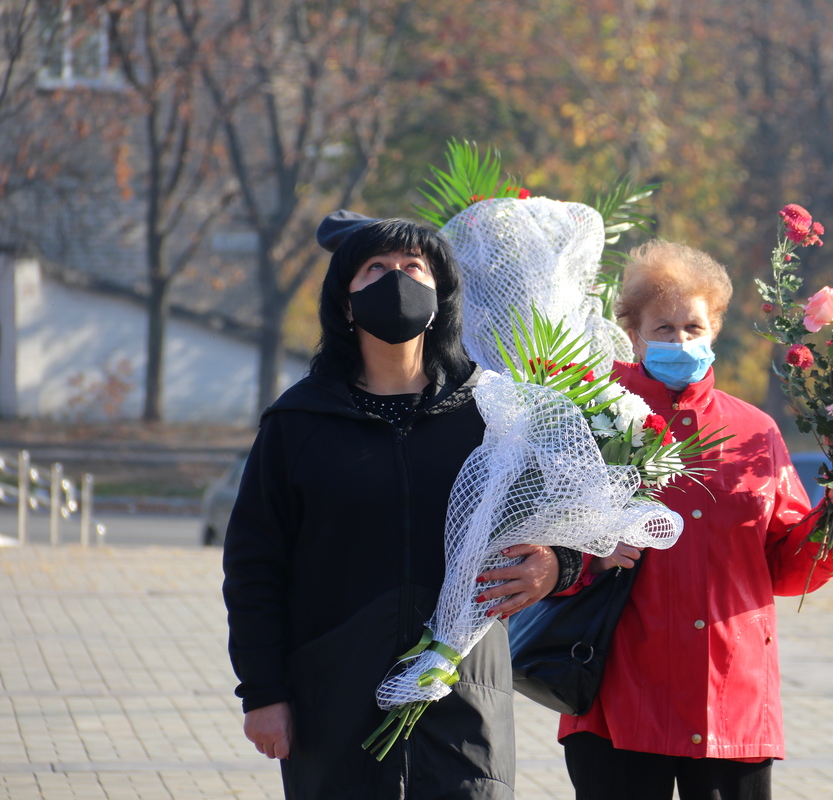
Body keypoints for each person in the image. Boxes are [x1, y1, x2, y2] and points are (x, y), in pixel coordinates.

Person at [222, 212, 582, 800]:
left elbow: (566, 521)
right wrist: (263, 693)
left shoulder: (495, 414)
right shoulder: (299, 423)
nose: (398, 280)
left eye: (414, 268)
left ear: (441, 296)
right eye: (376, 268)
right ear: (344, 300)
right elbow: (255, 566)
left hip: (465, 690)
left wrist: (556, 564)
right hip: (333, 692)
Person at [556, 240, 833, 800]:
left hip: (730, 694)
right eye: (664, 328)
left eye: (693, 327)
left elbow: (783, 566)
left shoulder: (756, 432)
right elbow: (543, 538)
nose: (680, 341)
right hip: (619, 693)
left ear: (715, 330)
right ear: (633, 333)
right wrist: (588, 555)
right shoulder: (592, 416)